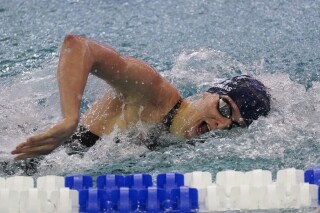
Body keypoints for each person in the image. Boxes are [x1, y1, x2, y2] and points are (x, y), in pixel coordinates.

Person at [11, 35, 271, 160]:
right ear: (208, 94)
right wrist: (69, 119)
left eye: (234, 125)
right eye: (225, 110)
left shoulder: (182, 141)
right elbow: (77, 46)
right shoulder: (153, 92)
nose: (223, 124)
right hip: (25, 154)